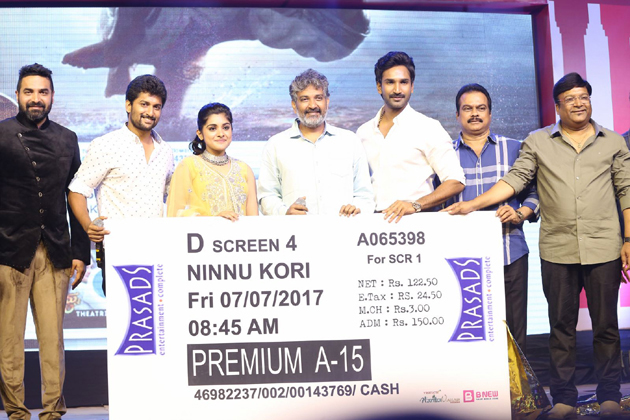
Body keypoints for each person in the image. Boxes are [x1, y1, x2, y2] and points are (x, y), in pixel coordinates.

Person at [444, 72, 630, 419]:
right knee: (560, 327)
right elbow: (516, 180)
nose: (578, 104)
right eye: (570, 99)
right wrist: (471, 205)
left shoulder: (614, 142)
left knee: (606, 326)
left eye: (583, 97)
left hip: (604, 246)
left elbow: (626, 190)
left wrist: (629, 238)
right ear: (558, 107)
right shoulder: (538, 141)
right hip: (557, 248)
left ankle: (609, 394)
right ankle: (564, 398)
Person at [0, 63, 90, 420]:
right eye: (29, 92)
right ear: (18, 95)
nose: (36, 98)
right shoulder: (1, 135)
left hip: (55, 251)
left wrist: (80, 252)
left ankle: (53, 412)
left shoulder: (68, 138)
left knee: (53, 341)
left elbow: (76, 196)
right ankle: (17, 414)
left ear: (52, 96)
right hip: (8, 250)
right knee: (9, 341)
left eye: (43, 92)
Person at [446, 83, 539, 352]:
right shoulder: (444, 154)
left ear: (490, 113)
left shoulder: (515, 148)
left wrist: (519, 213)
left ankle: (518, 381)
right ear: (457, 115)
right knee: (470, 332)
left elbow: (536, 194)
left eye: (481, 108)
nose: (474, 114)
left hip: (510, 252)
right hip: (462, 259)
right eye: (467, 108)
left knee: (515, 333)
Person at [68, 75, 174, 293]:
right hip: (118, 250)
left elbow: (174, 196)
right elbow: (77, 190)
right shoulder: (106, 145)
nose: (150, 112)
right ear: (128, 105)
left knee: (158, 313)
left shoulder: (166, 150)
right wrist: (88, 226)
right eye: (144, 104)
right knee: (124, 313)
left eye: (156, 107)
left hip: (158, 249)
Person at [356, 51, 465, 223]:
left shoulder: (429, 128)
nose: (397, 90)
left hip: (416, 225)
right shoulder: (363, 132)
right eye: (390, 82)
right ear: (379, 86)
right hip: (371, 226)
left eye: (403, 82)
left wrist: (414, 205)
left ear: (412, 86)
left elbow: (456, 181)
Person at [258, 68, 374, 216]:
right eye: (304, 99)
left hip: (344, 229)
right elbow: (266, 195)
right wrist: (284, 213)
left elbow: (364, 195)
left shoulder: (350, 141)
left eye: (318, 98)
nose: (312, 105)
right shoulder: (275, 145)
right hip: (294, 230)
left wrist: (357, 208)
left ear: (327, 102)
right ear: (294, 104)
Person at [166, 103, 258, 219]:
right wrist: (214, 220)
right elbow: (175, 215)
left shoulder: (244, 169)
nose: (221, 134)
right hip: (201, 231)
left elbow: (254, 221)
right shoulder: (188, 166)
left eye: (226, 127)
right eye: (212, 128)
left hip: (242, 232)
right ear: (200, 134)